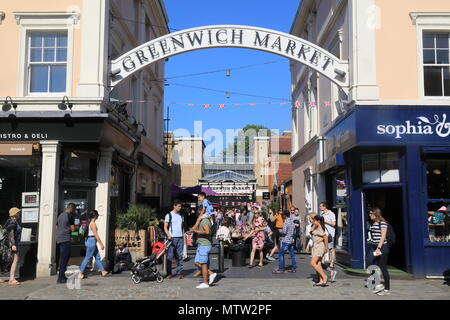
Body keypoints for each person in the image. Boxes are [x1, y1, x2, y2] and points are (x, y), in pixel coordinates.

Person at [367, 207, 391, 296]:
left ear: (375, 214)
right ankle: (379, 284)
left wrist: (378, 248)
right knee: (369, 263)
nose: (369, 215)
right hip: (374, 247)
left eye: (370, 213)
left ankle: (387, 289)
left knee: (383, 267)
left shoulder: (383, 223)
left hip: (382, 247)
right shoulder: (374, 223)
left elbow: (383, 236)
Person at [79, 210, 109, 279]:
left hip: (91, 241)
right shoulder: (92, 224)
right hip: (91, 241)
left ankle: (103, 271)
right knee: (87, 258)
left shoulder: (90, 222)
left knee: (97, 257)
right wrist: (101, 244)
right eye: (97, 215)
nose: (98, 216)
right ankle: (80, 273)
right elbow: (96, 235)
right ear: (95, 216)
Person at [192, 210, 216, 289]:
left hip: (204, 245)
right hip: (201, 244)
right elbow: (193, 228)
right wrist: (198, 221)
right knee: (197, 262)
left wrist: (196, 231)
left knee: (203, 264)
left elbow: (207, 231)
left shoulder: (205, 220)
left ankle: (205, 282)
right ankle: (210, 273)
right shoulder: (202, 220)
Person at [164, 200, 185, 279]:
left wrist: (184, 237)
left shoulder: (181, 216)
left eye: (180, 206)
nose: (180, 208)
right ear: (174, 206)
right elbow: (165, 227)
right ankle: (169, 273)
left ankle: (180, 272)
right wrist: (168, 235)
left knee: (180, 256)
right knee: (169, 256)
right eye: (179, 206)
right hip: (172, 238)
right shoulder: (169, 215)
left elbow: (182, 227)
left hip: (180, 238)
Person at [56, 203, 76, 284]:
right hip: (65, 239)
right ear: (71, 208)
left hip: (59, 238)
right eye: (74, 209)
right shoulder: (70, 216)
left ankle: (62, 276)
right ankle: (60, 278)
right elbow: (73, 229)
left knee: (63, 257)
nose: (74, 211)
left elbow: (57, 226)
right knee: (65, 258)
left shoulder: (60, 215)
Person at [1, 208, 22, 285]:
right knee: (15, 260)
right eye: (18, 212)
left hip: (6, 244)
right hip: (12, 244)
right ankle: (12, 279)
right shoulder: (13, 221)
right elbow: (11, 233)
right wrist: (13, 244)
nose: (19, 213)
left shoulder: (8, 221)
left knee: (5, 260)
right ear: (15, 214)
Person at [319, 202, 337, 282]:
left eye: (321, 206)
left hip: (330, 234)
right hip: (323, 234)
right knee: (324, 248)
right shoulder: (321, 214)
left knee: (331, 248)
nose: (320, 207)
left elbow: (334, 223)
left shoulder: (331, 214)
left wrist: (325, 222)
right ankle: (322, 261)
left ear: (325, 206)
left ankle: (332, 262)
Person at [310, 215, 329, 287]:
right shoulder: (316, 227)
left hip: (319, 247)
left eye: (315, 221)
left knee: (312, 262)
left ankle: (324, 277)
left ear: (318, 221)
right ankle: (321, 280)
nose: (313, 222)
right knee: (318, 264)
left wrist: (326, 248)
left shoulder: (321, 228)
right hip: (315, 247)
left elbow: (325, 237)